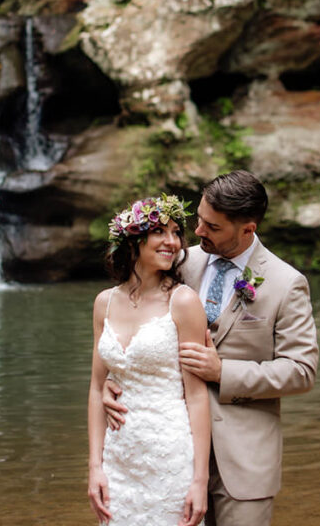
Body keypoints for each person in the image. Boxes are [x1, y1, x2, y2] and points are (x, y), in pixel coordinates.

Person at [104, 171, 318, 526]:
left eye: (212, 227)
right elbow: (129, 317)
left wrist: (224, 372)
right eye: (200, 220)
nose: (199, 231)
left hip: (244, 459)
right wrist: (117, 380)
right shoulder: (178, 261)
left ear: (247, 229)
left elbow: (301, 371)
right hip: (170, 450)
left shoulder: (286, 283)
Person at [87, 193, 210, 526]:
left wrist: (199, 481)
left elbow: (196, 397)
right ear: (134, 240)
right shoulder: (104, 303)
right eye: (160, 232)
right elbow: (97, 387)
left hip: (168, 454)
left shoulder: (183, 301)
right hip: (119, 457)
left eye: (176, 233)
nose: (171, 242)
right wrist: (95, 467)